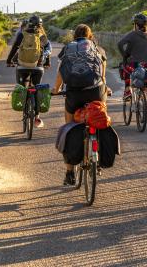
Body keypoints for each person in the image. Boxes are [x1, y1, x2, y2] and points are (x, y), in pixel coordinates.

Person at [51, 24, 110, 185]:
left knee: (69, 127)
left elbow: (61, 70)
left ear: (74, 37)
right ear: (90, 36)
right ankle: (97, 157)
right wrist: (105, 85)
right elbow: (102, 69)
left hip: (74, 93)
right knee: (100, 116)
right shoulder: (97, 48)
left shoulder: (68, 48)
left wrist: (56, 89)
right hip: (96, 90)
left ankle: (69, 172)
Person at [6, 15, 52, 128]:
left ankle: (23, 105)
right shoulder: (42, 36)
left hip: (22, 67)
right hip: (38, 67)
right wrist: (46, 63)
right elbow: (47, 50)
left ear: (28, 24)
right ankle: (37, 117)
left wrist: (9, 61)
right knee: (36, 88)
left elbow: (14, 49)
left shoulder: (22, 34)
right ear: (40, 25)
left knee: (21, 88)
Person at [117, 13, 147, 101]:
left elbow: (120, 44)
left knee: (124, 67)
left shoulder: (133, 34)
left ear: (136, 24)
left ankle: (128, 91)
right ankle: (146, 91)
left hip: (135, 64)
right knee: (145, 76)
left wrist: (124, 55)